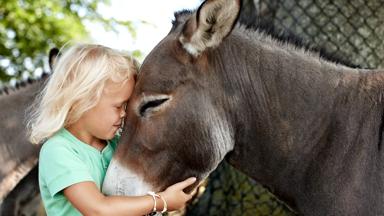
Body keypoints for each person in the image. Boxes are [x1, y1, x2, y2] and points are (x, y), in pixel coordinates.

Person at [27, 44, 196, 216]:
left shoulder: (117, 144)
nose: (124, 114)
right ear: (82, 101)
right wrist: (160, 201)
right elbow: (97, 210)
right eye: (118, 106)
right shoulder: (59, 150)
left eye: (126, 106)